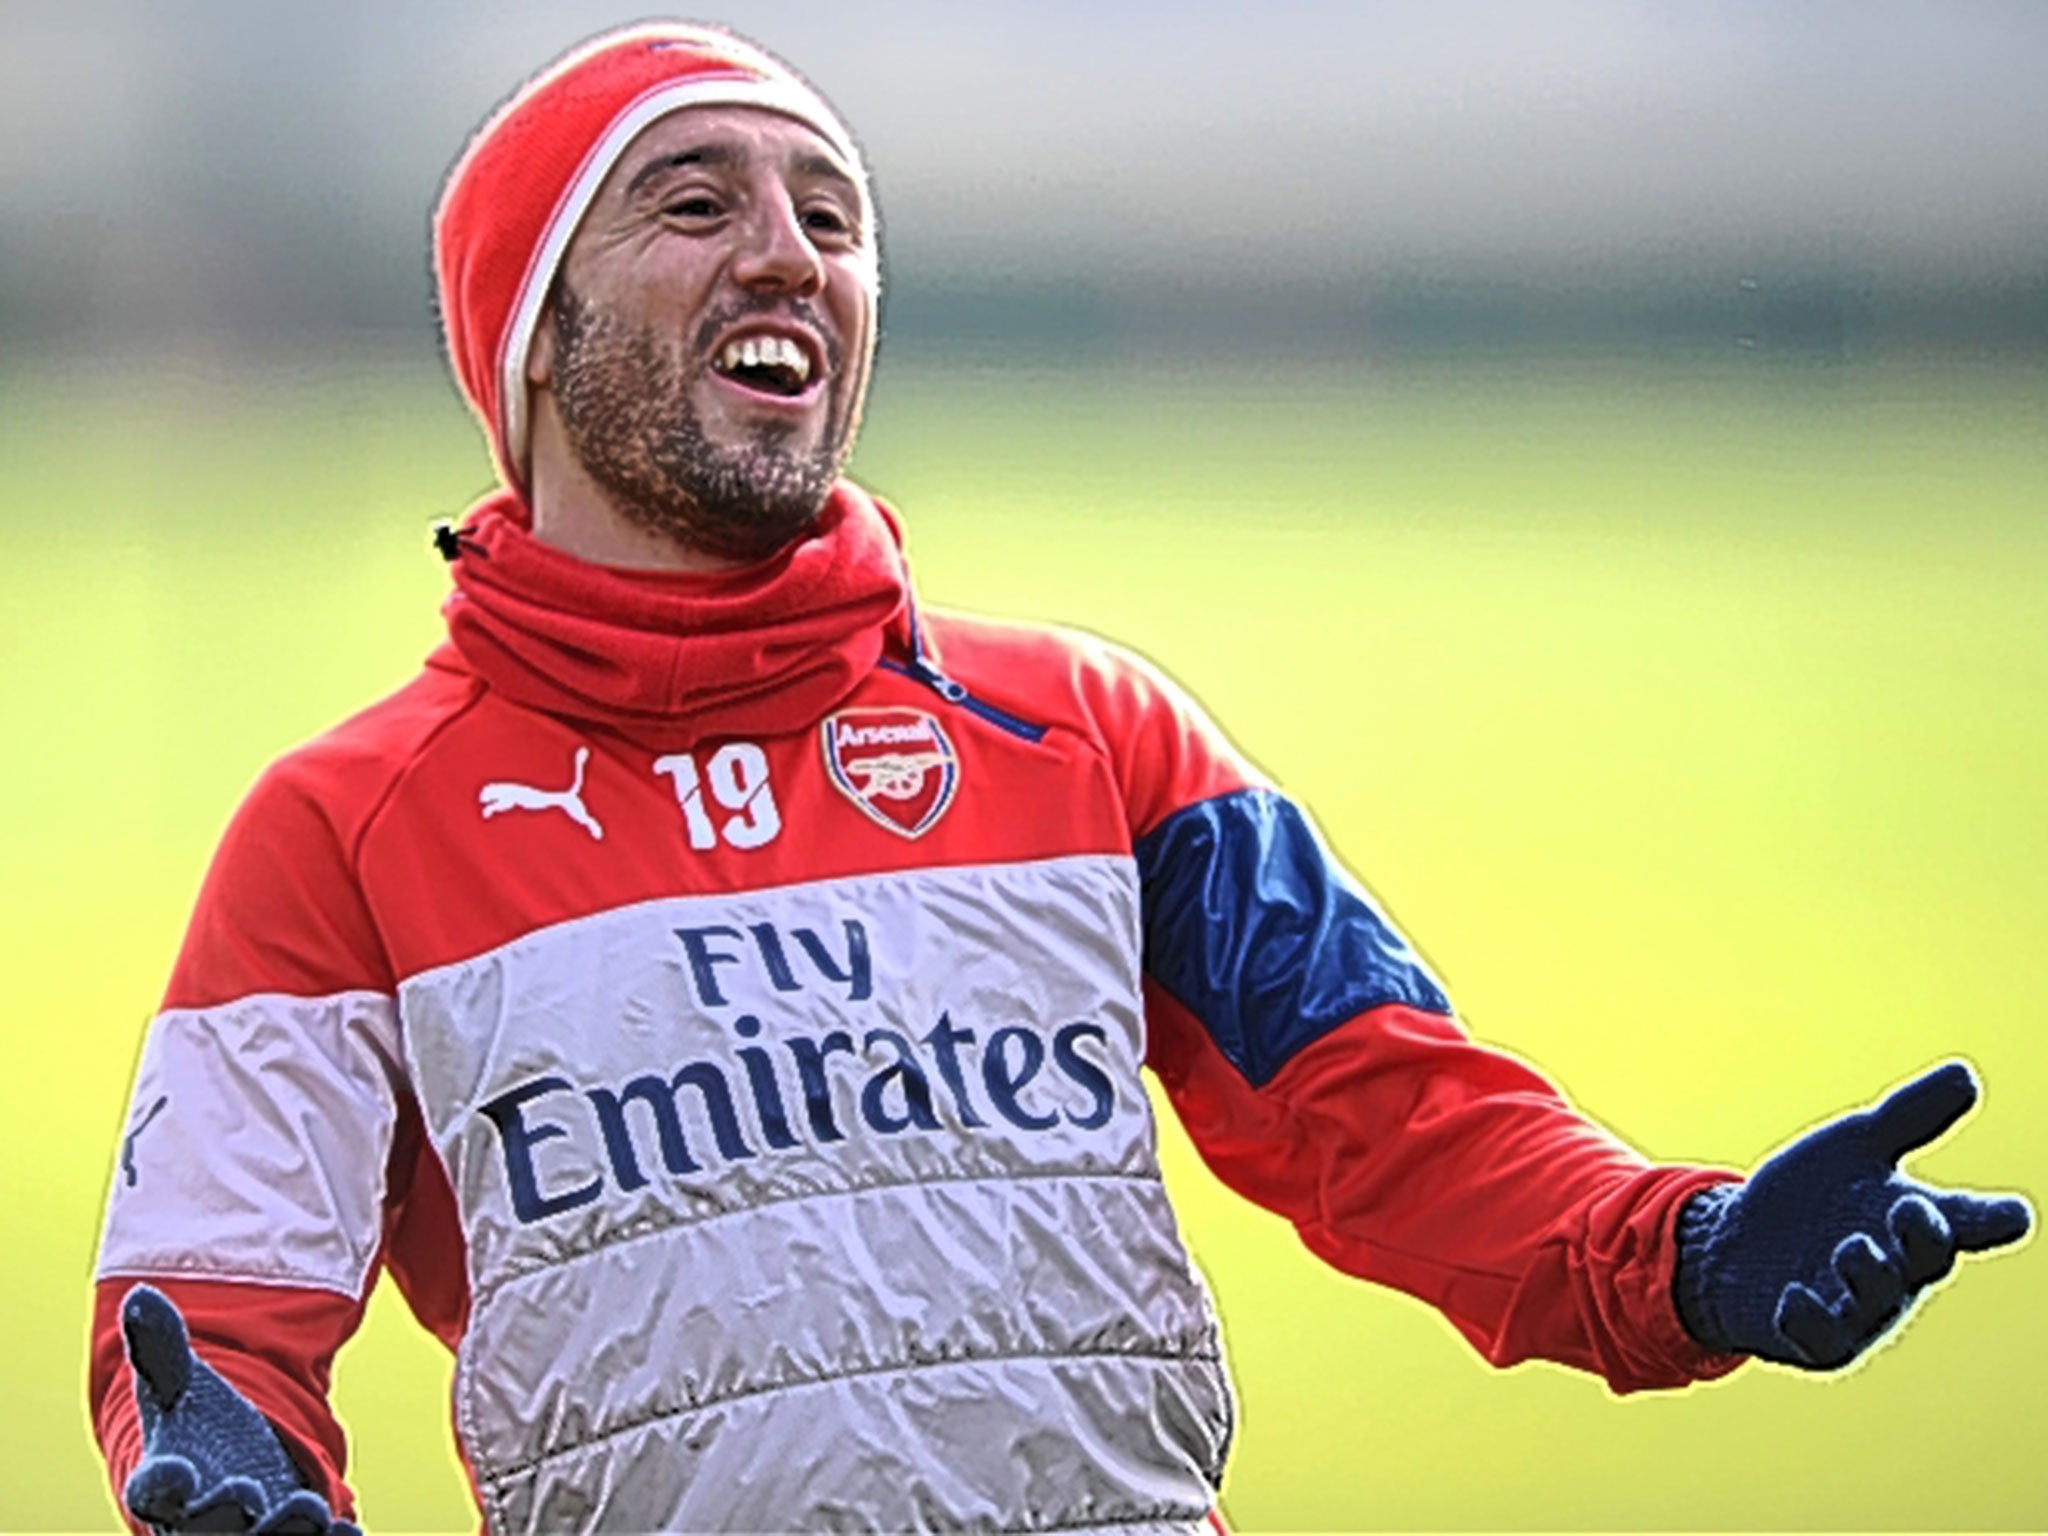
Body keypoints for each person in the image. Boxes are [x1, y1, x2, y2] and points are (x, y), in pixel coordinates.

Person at [90, 22, 2032, 1536]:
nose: (789, 248)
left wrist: (1675, 1252)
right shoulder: (342, 829)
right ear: (529, 337)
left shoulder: (1090, 731)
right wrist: (229, 1462)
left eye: (832, 217)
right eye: (692, 204)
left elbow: (1390, 1111)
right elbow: (210, 1326)